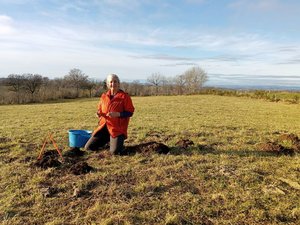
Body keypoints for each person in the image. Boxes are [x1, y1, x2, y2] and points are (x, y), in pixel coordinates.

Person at [84, 74, 134, 155]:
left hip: (117, 129)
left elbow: (130, 112)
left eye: (115, 81)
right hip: (103, 128)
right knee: (88, 148)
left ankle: (115, 142)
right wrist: (98, 113)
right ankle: (108, 140)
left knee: (115, 152)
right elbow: (100, 110)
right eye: (111, 82)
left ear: (119, 83)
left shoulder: (125, 97)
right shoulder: (104, 96)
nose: (113, 84)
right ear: (107, 84)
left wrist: (118, 114)